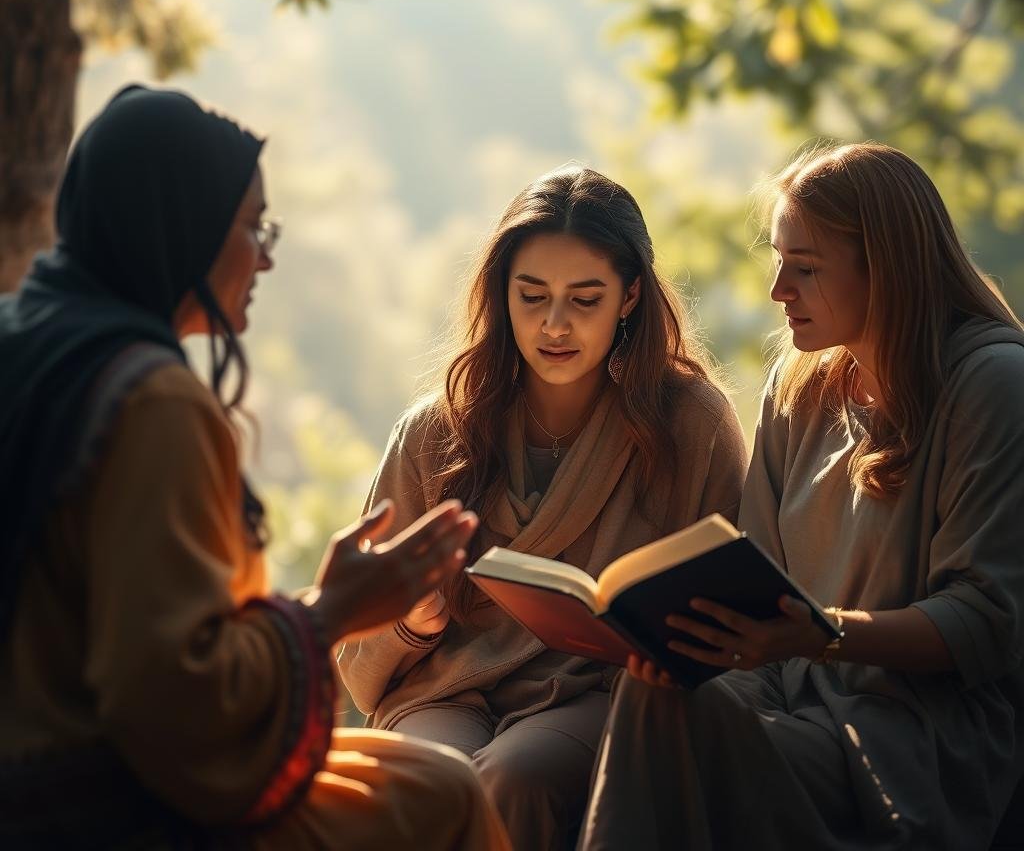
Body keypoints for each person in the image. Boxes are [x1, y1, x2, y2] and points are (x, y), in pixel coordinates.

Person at [0, 85, 512, 850]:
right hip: (94, 800)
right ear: (181, 229)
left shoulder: (27, 336)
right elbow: (174, 704)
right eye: (252, 227)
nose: (267, 253)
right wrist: (329, 615)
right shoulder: (151, 403)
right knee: (443, 799)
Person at [580, 142, 1024, 850]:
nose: (777, 289)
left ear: (887, 268)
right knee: (653, 691)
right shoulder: (801, 386)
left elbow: (986, 620)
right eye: (779, 261)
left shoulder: (992, 385)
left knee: (680, 753)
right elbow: (759, 579)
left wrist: (825, 636)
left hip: (910, 740)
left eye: (806, 268)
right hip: (792, 696)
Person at [339, 165, 748, 849]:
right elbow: (358, 663)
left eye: (584, 299)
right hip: (446, 692)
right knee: (428, 776)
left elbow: (729, 603)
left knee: (512, 778)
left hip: (596, 694)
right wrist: (411, 621)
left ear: (631, 296)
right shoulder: (435, 430)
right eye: (532, 297)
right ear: (502, 296)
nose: (554, 325)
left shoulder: (689, 424)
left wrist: (651, 641)